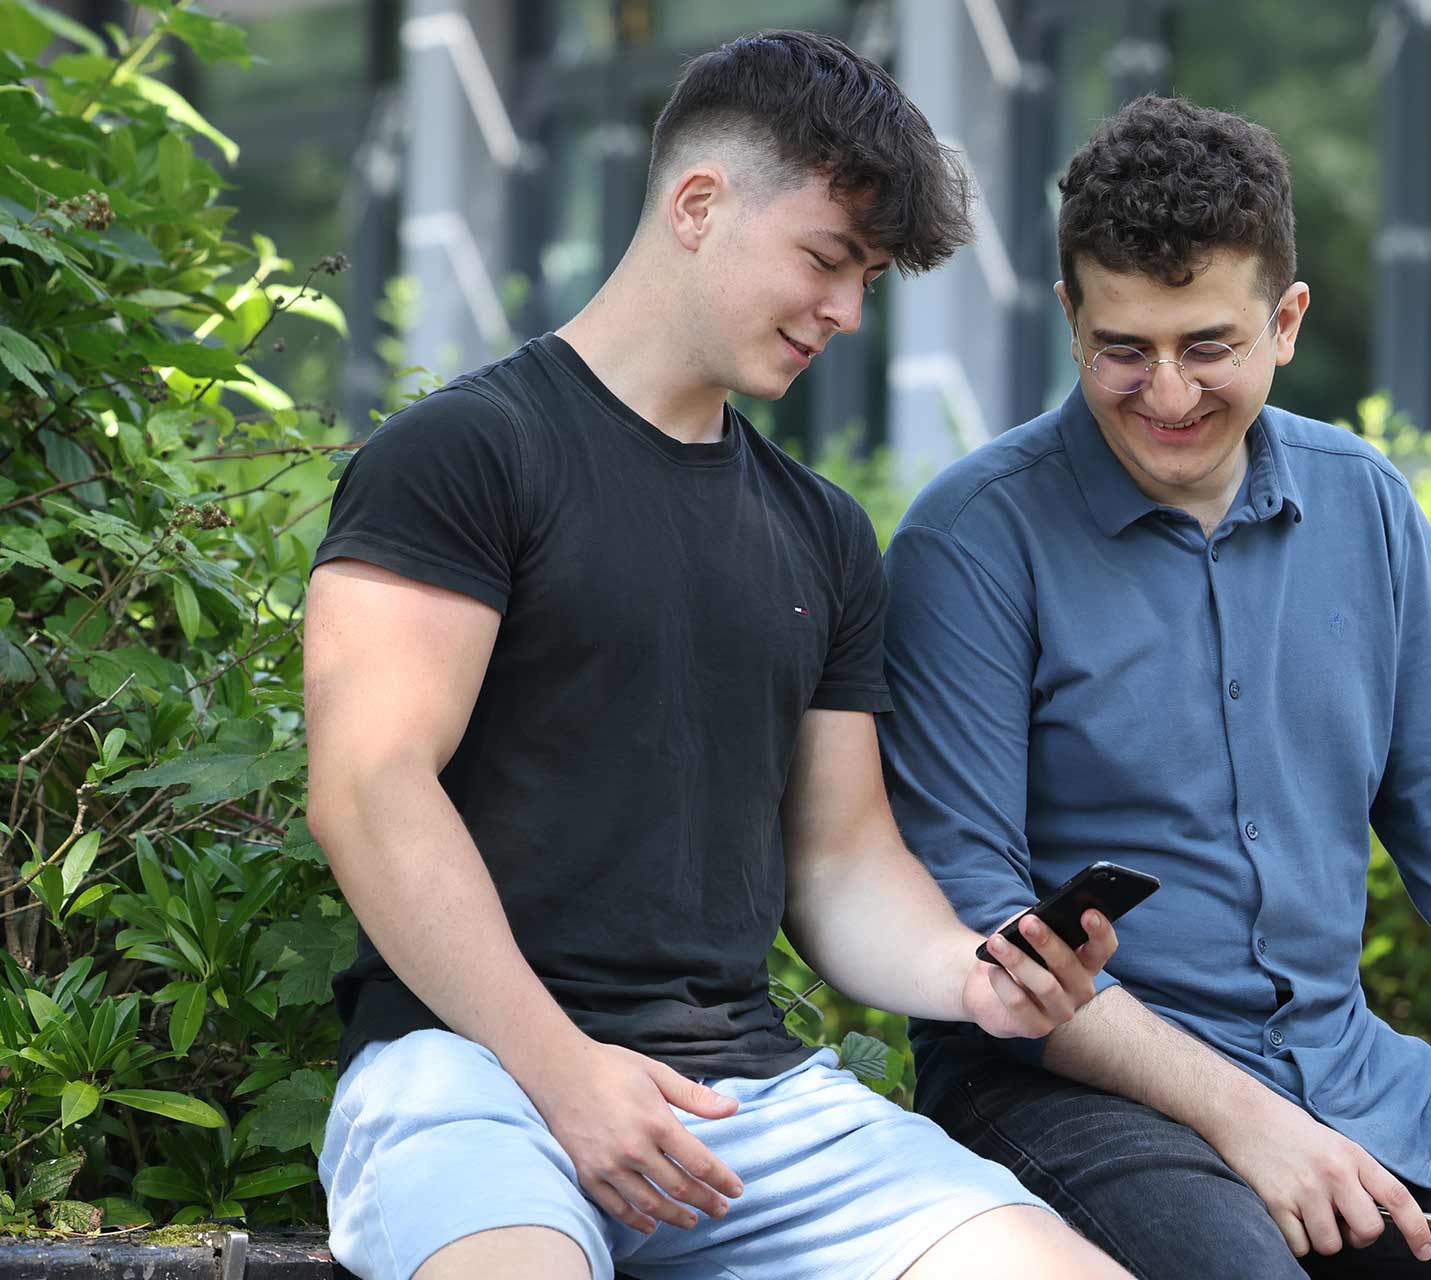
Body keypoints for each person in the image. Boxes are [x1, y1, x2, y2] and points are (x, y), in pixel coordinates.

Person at [879, 95, 1431, 1279]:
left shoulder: (1365, 503)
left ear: (1288, 319)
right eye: (1123, 348)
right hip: (1067, 1089)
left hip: (1348, 1073)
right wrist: (1251, 1122)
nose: (1165, 394)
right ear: (1069, 318)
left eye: (1208, 345)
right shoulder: (970, 541)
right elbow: (978, 923)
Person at [303, 31, 1130, 1280]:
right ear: (699, 204)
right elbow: (369, 790)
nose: (847, 313)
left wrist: (980, 974)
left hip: (749, 1105)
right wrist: (566, 1071)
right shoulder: (464, 453)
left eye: (868, 281)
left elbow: (843, 862)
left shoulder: (823, 532)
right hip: (472, 1071)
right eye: (826, 259)